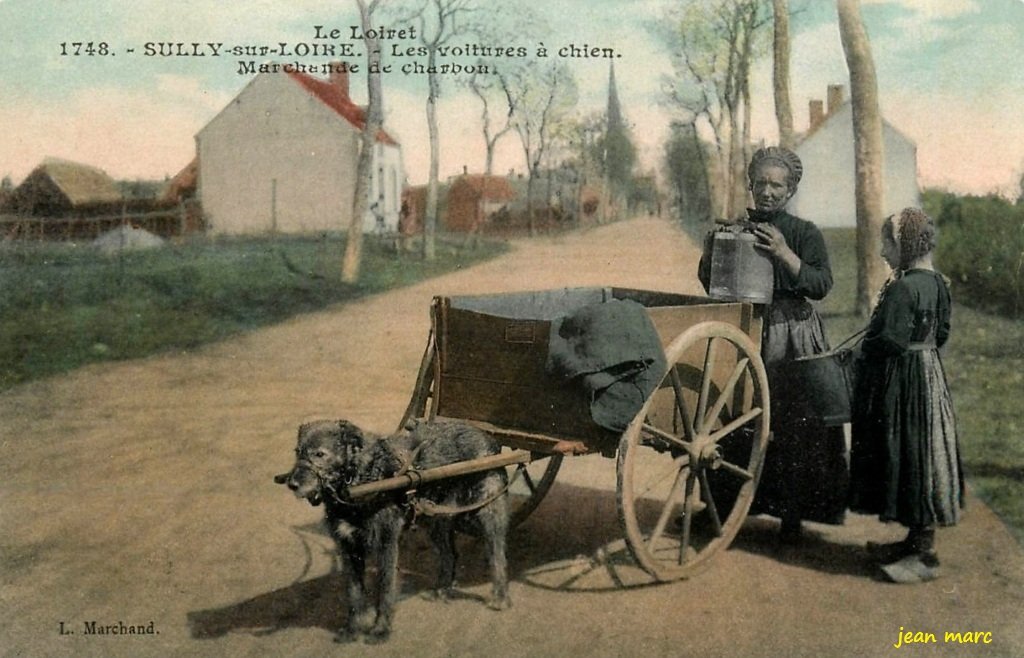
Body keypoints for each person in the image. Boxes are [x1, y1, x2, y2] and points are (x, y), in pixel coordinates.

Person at [698, 146, 848, 542]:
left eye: (777, 185)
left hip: (789, 334)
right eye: (760, 183)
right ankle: (720, 508)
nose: (767, 192)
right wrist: (714, 247)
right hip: (744, 328)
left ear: (791, 189)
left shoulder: (803, 232)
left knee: (790, 424)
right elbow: (710, 282)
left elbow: (821, 284)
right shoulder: (736, 225)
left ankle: (791, 517)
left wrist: (783, 252)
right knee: (728, 415)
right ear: (750, 184)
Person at [849, 207, 963, 583]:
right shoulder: (939, 284)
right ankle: (915, 541)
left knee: (910, 453)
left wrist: (866, 346)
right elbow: (941, 335)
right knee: (924, 453)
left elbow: (892, 340)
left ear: (905, 244)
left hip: (903, 381)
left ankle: (923, 556)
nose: (882, 251)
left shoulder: (901, 287)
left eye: (887, 243)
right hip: (929, 377)